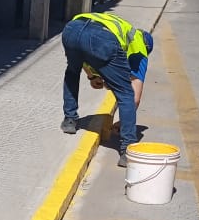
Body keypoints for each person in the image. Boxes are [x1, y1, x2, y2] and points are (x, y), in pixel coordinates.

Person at [59, 12, 154, 166]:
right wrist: (123, 122)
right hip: (100, 40)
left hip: (72, 29)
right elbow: (134, 98)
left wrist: (92, 76)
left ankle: (70, 120)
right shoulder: (140, 49)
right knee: (126, 94)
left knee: (72, 72)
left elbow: (84, 48)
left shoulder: (121, 26)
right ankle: (127, 150)